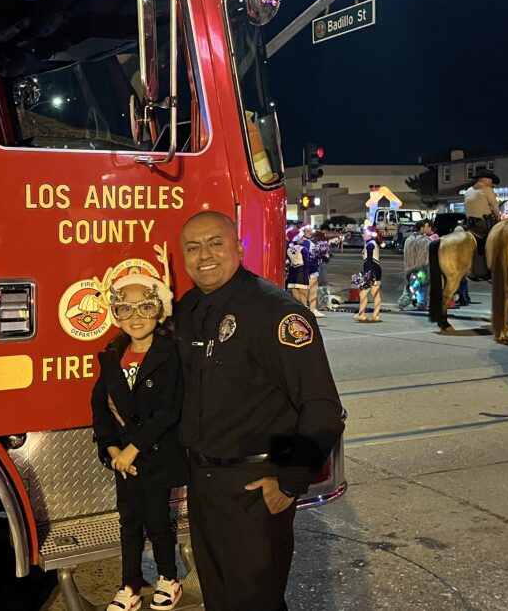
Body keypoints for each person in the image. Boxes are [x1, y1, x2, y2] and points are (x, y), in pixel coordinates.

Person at [176, 211, 344, 611]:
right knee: (218, 599)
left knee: (255, 603)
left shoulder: (275, 313)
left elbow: (322, 408)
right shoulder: (188, 308)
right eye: (193, 247)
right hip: (205, 484)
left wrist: (289, 481)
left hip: (254, 488)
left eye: (215, 243)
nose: (205, 255)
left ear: (238, 247)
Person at [91, 275, 186, 611]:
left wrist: (134, 448)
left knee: (158, 520)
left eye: (145, 307)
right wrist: (113, 449)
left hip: (155, 455)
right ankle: (129, 584)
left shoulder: (169, 354)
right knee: (129, 521)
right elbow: (100, 406)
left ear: (158, 312)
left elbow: (169, 410)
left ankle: (168, 578)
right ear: (116, 315)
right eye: (125, 309)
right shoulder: (112, 356)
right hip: (124, 460)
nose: (136, 316)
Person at [463, 171, 501, 240]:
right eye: (490, 181)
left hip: (469, 223)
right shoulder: (487, 189)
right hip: (483, 224)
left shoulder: (468, 190)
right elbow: (495, 207)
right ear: (485, 180)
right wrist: (498, 218)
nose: (491, 183)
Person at [356, 227, 382, 322]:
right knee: (374, 293)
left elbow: (369, 261)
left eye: (364, 233)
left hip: (372, 271)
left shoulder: (370, 245)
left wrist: (368, 275)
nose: (363, 235)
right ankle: (374, 315)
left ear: (370, 234)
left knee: (364, 293)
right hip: (373, 271)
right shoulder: (370, 243)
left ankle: (362, 314)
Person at [284, 228, 309, 307]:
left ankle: (298, 308)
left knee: (295, 294)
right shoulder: (303, 249)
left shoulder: (288, 249)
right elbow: (307, 262)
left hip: (292, 271)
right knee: (303, 293)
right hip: (301, 272)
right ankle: (304, 309)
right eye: (301, 237)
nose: (303, 239)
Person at [313, 231, 334, 312]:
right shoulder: (324, 243)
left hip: (320, 264)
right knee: (323, 283)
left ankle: (320, 303)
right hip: (322, 264)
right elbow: (329, 254)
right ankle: (322, 303)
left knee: (320, 283)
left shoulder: (318, 243)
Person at [302, 227, 320, 313]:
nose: (309, 232)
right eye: (307, 231)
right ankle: (311, 309)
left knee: (312, 289)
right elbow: (306, 256)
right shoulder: (305, 242)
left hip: (311, 268)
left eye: (310, 230)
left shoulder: (310, 241)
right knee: (310, 289)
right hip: (310, 269)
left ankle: (312, 308)